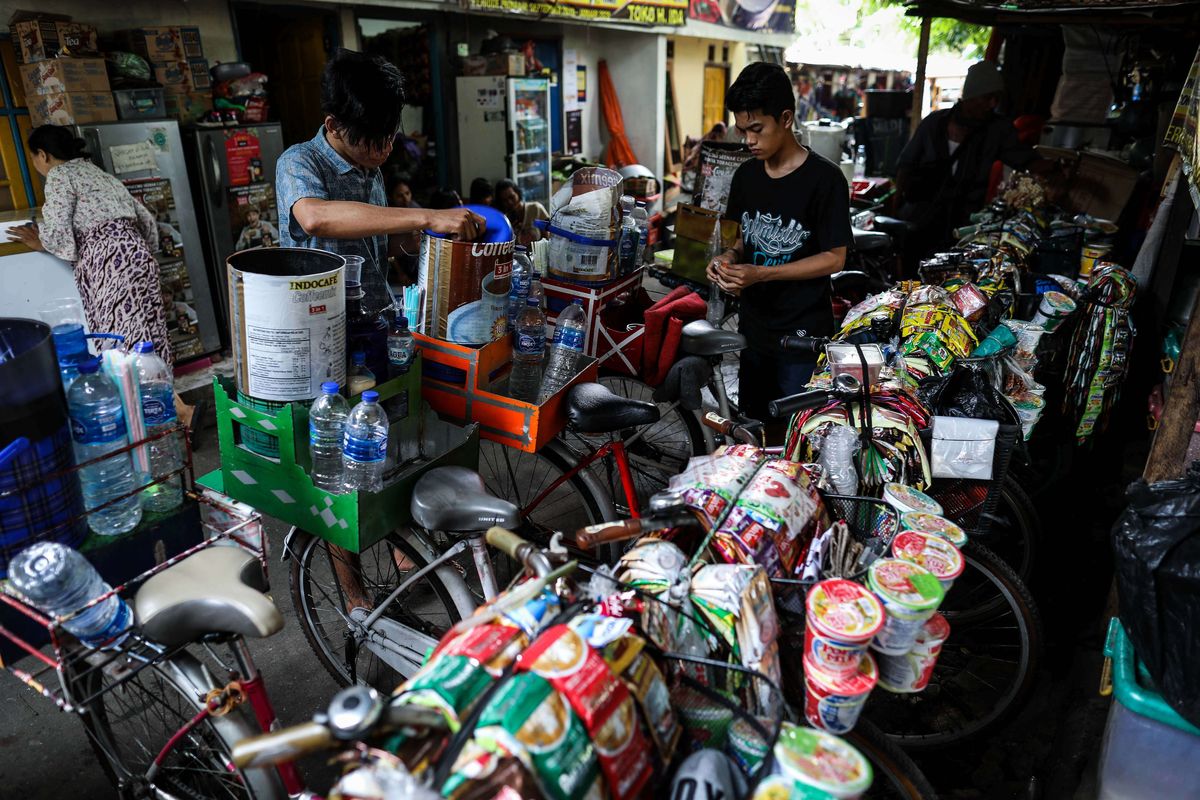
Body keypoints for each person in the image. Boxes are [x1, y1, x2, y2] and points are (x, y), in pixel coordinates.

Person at [7, 125, 203, 433]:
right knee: (146, 339)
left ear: (42, 155)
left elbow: (58, 233)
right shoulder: (99, 174)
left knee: (123, 342)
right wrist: (139, 254)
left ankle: (175, 413)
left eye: (34, 159)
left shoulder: (60, 176)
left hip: (109, 262)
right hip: (138, 256)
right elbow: (148, 222)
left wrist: (39, 242)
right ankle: (171, 411)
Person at [277, 48, 485, 319]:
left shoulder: (370, 170)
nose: (385, 149)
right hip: (319, 323)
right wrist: (428, 216)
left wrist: (432, 238)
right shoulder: (299, 161)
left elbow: (377, 247)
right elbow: (314, 218)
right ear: (334, 126)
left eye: (389, 137)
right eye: (373, 140)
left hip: (377, 316)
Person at [706, 62, 851, 431]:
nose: (749, 140)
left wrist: (762, 274)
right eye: (743, 130)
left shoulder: (825, 179)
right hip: (755, 332)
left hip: (802, 336)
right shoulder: (747, 176)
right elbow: (741, 239)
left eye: (757, 129)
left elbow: (835, 258)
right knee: (756, 427)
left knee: (797, 435)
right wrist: (728, 258)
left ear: (785, 118)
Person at [895, 60, 1059, 254]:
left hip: (962, 226)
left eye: (997, 98)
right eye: (988, 97)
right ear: (971, 96)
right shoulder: (934, 124)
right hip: (921, 220)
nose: (993, 104)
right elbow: (905, 167)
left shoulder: (997, 130)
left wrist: (1057, 168)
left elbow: (1025, 158)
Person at [495, 178, 549, 248]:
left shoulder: (535, 209)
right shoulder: (505, 219)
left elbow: (548, 237)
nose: (509, 202)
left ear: (517, 193)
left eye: (512, 197)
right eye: (505, 200)